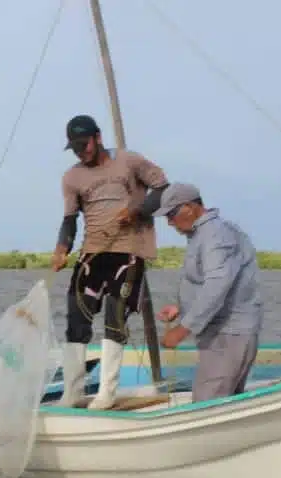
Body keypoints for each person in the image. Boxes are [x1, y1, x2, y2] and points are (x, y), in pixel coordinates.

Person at [51, 114, 170, 410]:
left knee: (115, 316)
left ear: (98, 138)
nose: (81, 152)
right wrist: (62, 247)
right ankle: (73, 392)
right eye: (75, 148)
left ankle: (107, 392)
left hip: (129, 249)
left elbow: (162, 188)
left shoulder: (129, 161)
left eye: (84, 145)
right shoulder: (71, 177)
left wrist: (138, 210)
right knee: (76, 318)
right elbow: (69, 220)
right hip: (93, 251)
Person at [154, 182, 263, 402]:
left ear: (190, 207)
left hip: (229, 333)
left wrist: (182, 329)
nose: (169, 222)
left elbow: (217, 284)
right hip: (222, 333)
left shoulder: (215, 235)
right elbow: (210, 281)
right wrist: (181, 309)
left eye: (172, 214)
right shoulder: (203, 235)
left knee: (207, 404)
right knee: (224, 403)